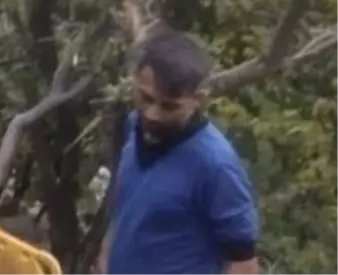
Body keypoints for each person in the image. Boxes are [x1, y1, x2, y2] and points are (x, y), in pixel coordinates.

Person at [100, 30, 259, 275]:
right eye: (146, 98)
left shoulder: (215, 165)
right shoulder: (133, 125)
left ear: (197, 98)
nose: (153, 113)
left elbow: (244, 264)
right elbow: (126, 208)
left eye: (169, 106)